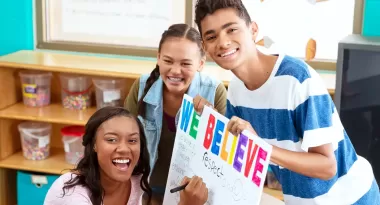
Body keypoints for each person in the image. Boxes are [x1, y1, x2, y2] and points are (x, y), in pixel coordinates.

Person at [193, 0, 380, 204]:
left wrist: (262, 146)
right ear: (205, 47)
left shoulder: (297, 80)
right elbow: (241, 148)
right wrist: (211, 121)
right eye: (211, 36)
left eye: (232, 29)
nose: (223, 42)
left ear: (253, 30)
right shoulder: (237, 88)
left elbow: (327, 167)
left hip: (351, 199)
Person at [124, 23, 227, 203]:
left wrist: (212, 121)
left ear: (200, 64)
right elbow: (123, 137)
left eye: (186, 63)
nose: (175, 71)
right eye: (168, 61)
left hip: (194, 195)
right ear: (158, 58)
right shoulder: (141, 87)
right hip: (145, 188)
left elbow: (224, 158)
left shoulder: (214, 91)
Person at [44, 107, 208, 205]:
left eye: (132, 140)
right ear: (94, 144)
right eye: (111, 139)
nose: (123, 148)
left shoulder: (135, 180)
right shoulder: (74, 195)